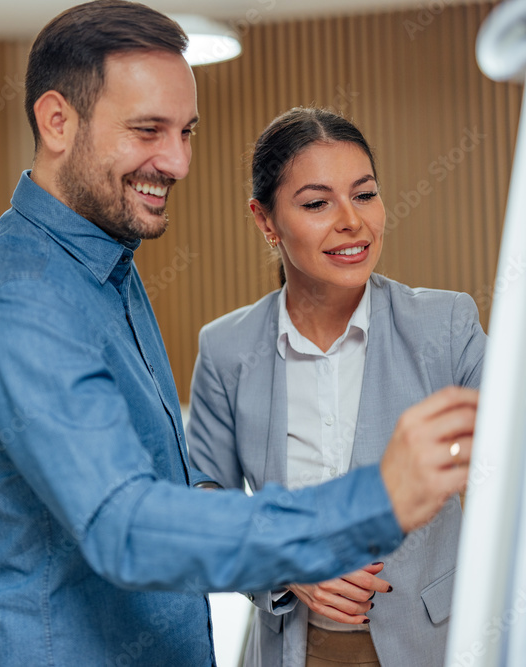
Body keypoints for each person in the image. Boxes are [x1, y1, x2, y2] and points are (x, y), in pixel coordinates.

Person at [0, 2, 477, 664]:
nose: (179, 161)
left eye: (186, 131)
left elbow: (178, 482)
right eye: (148, 130)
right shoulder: (21, 298)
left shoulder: (105, 268)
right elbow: (126, 526)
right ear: (57, 121)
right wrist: (372, 500)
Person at [185, 107, 486, 667]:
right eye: (317, 203)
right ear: (265, 220)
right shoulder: (226, 349)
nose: (352, 221)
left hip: (434, 645)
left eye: (365, 194)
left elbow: (508, 452)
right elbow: (202, 503)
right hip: (289, 649)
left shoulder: (446, 327)